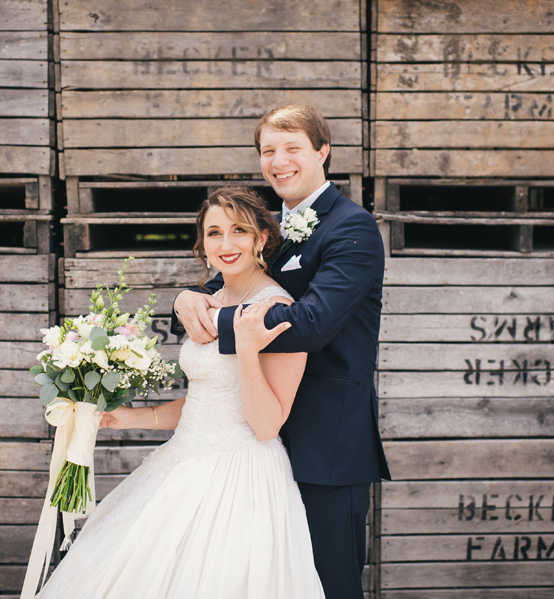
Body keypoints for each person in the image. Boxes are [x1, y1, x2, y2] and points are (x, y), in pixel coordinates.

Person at [33, 185, 326, 599]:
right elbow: (206, 400)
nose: (226, 244)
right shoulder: (208, 300)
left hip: (239, 476)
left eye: (239, 231)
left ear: (262, 238)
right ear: (202, 243)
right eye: (214, 233)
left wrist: (245, 351)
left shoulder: (277, 310)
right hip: (183, 459)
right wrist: (123, 417)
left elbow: (266, 425)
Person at [172, 104, 390, 599]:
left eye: (292, 148)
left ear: (322, 151)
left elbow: (310, 324)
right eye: (269, 150)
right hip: (257, 443)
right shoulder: (271, 228)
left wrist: (217, 319)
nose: (279, 161)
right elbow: (222, 290)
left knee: (328, 585)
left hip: (324, 443)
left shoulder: (351, 229)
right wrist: (182, 302)